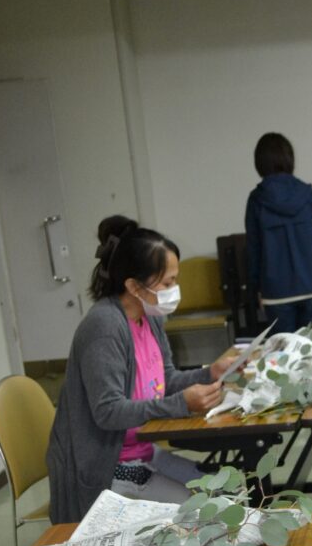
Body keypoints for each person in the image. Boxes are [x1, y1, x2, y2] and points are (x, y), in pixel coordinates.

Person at [47, 218, 235, 523]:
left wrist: (209, 373)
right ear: (134, 286)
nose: (175, 290)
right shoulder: (105, 327)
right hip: (109, 467)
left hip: (143, 453)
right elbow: (108, 412)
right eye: (167, 283)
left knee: (227, 490)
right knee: (209, 512)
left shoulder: (149, 316)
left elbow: (165, 380)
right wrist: (181, 404)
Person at [244, 133, 312, 333]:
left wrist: (255, 288)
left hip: (276, 291)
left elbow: (254, 249)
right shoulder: (308, 195)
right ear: (290, 159)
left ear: (259, 162)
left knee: (283, 350)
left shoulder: (257, 200)